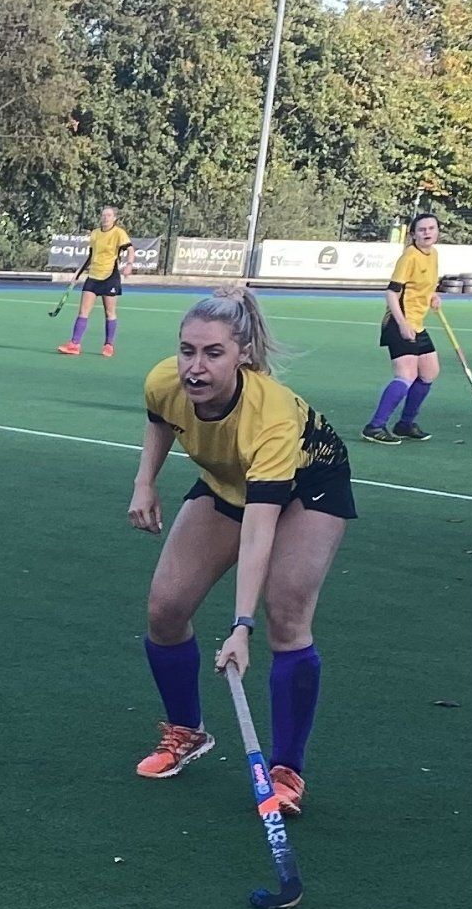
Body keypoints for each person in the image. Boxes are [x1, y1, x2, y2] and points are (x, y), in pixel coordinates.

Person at [126, 287, 353, 817]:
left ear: (243, 354)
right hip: (229, 481)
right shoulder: (163, 380)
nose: (195, 367)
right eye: (187, 351)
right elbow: (161, 420)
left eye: (213, 353)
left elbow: (258, 530)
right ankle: (187, 731)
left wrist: (241, 627)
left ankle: (286, 769)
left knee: (287, 615)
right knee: (166, 608)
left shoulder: (269, 415)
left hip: (309, 486)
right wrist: (145, 482)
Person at [363, 212, 444, 444]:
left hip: (418, 324)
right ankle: (375, 426)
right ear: (413, 234)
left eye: (431, 228)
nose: (427, 233)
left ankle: (405, 424)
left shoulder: (433, 254)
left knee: (429, 372)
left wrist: (433, 295)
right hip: (399, 323)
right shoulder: (409, 256)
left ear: (437, 231)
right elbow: (392, 293)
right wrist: (402, 324)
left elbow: (423, 285)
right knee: (406, 375)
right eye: (422, 229)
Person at [58, 206, 134, 356]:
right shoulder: (95, 233)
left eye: (109, 215)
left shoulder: (119, 233)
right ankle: (74, 344)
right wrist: (78, 273)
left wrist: (129, 265)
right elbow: (91, 256)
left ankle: (108, 345)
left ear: (114, 218)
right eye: (104, 215)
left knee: (109, 312)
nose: (105, 218)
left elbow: (130, 250)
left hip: (110, 277)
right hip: (93, 277)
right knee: (83, 311)